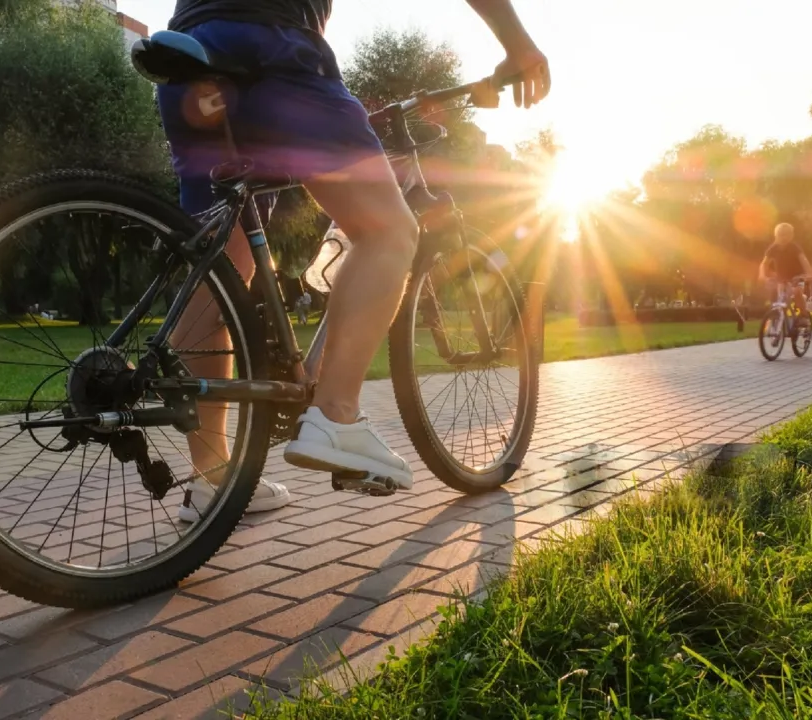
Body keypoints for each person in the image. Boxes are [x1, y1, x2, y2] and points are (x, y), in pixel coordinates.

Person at [159, 0, 551, 521]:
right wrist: (517, 43)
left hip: (188, 59)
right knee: (389, 231)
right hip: (271, 47)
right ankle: (336, 416)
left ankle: (211, 480)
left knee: (222, 276)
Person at [758, 222, 812, 324]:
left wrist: (808, 274)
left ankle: (804, 315)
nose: (784, 238)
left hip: (797, 277)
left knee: (797, 292)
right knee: (777, 298)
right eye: (781, 235)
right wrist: (762, 275)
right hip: (782, 279)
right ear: (776, 236)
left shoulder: (794, 248)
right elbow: (764, 264)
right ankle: (776, 320)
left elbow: (804, 260)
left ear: (792, 236)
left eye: (787, 235)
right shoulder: (773, 248)